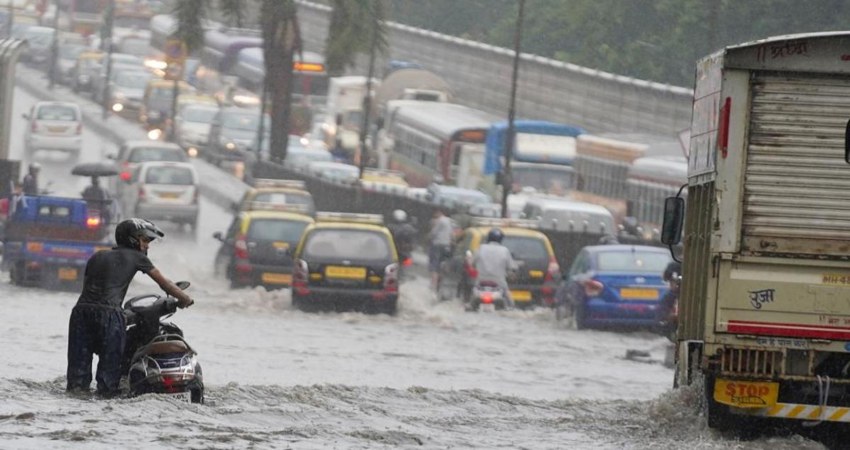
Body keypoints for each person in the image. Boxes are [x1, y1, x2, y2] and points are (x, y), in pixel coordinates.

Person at [66, 218, 195, 398]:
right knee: (108, 378)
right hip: (110, 314)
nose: (147, 246)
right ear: (132, 239)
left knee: (77, 378)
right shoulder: (138, 257)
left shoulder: (97, 256)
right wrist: (185, 299)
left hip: (80, 313)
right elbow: (165, 284)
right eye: (145, 241)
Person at [472, 228, 519, 309]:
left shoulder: (481, 248)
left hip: (480, 282)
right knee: (510, 304)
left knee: (472, 300)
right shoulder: (505, 250)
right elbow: (512, 267)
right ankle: (511, 308)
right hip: (499, 283)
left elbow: (472, 263)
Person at [428, 208, 453, 293]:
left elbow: (434, 233)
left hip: (437, 244)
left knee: (435, 264)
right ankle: (443, 279)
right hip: (447, 245)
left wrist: (429, 237)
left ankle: (433, 284)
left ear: (438, 213)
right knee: (443, 262)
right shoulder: (450, 221)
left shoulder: (440, 220)